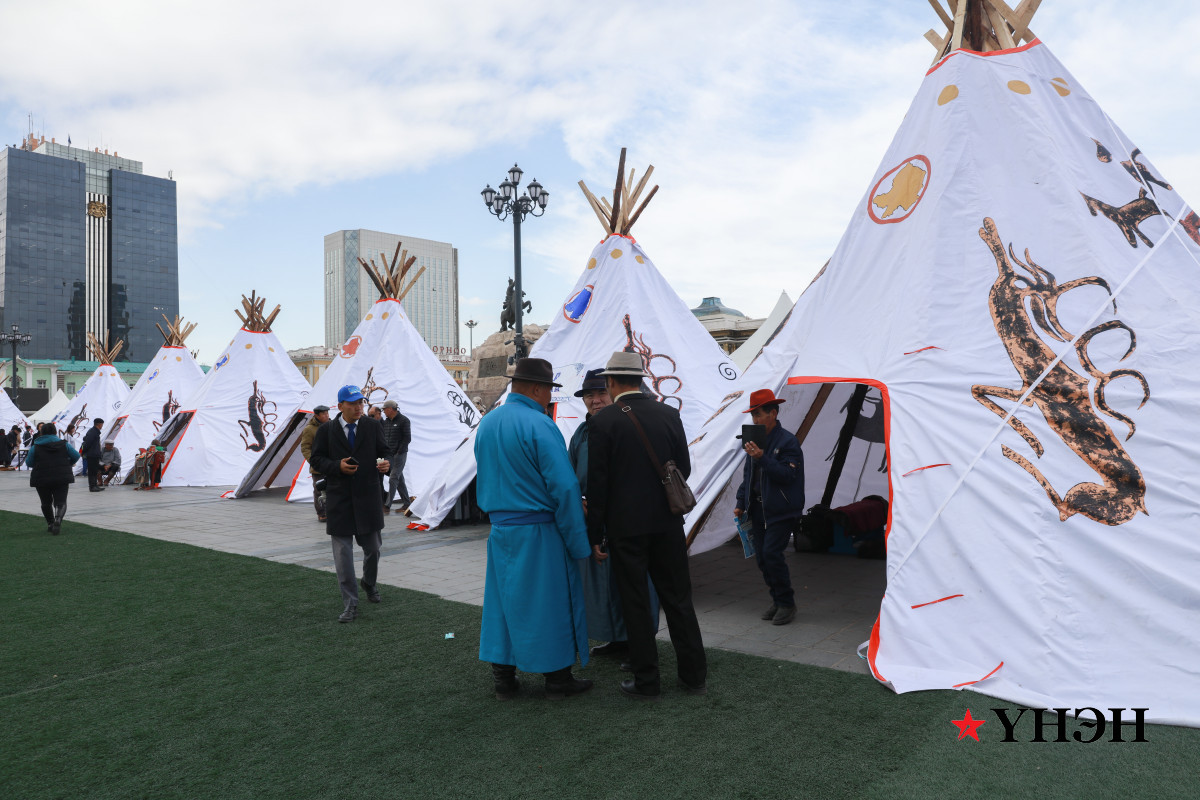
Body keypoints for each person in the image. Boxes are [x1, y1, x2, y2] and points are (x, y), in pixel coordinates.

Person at [587, 351, 707, 700]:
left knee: (636, 603)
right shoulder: (669, 414)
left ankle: (647, 682)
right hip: (668, 522)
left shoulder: (604, 421)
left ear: (610, 381)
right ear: (640, 379)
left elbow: (598, 486)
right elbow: (681, 468)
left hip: (626, 528)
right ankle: (694, 676)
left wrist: (595, 534)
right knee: (679, 600)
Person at [475, 357, 592, 701]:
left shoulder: (489, 421)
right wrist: (578, 541)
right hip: (538, 530)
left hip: (501, 530)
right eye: (549, 391)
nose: (549, 398)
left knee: (501, 601)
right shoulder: (540, 424)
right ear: (539, 389)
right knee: (549, 602)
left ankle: (504, 679)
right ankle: (557, 679)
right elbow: (565, 488)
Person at [568, 368, 658, 665]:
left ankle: (639, 644)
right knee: (603, 586)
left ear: (613, 391)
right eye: (589, 395)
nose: (595, 400)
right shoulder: (582, 432)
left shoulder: (626, 425)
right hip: (593, 521)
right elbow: (571, 473)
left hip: (626, 520)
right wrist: (579, 502)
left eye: (600, 393)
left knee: (632, 585)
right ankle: (617, 639)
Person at [309, 386, 391, 623]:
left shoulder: (373, 426)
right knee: (343, 557)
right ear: (340, 405)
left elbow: (386, 453)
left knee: (373, 550)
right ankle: (350, 603)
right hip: (340, 500)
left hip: (368, 497)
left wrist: (387, 464)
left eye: (361, 403)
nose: (358, 407)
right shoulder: (326, 431)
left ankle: (369, 583)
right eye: (353, 403)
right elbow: (316, 459)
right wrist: (338, 467)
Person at [734, 389, 806, 626]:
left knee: (772, 554)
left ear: (773, 413)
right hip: (757, 508)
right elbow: (749, 475)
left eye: (759, 414)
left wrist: (762, 457)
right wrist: (740, 502)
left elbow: (787, 475)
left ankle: (787, 603)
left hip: (782, 509)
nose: (755, 420)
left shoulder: (788, 441)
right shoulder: (755, 438)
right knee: (762, 559)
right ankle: (778, 600)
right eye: (753, 415)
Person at [26, 422, 80, 534]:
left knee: (45, 502)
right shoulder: (64, 444)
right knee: (61, 501)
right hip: (61, 476)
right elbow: (76, 455)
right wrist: (68, 463)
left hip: (41, 477)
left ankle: (50, 523)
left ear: (41, 433)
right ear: (55, 432)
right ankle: (58, 519)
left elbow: (29, 462)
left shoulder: (36, 447)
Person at [380, 399, 412, 514]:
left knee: (393, 477)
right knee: (400, 479)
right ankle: (407, 503)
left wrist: (399, 451)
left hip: (400, 454)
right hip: (390, 455)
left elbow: (407, 438)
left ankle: (387, 505)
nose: (383, 412)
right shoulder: (386, 421)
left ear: (390, 409)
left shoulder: (404, 420)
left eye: (384, 409)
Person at [300, 405, 331, 522]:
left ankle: (332, 511)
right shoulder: (309, 429)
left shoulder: (332, 425)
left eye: (327, 413)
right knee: (319, 490)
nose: (327, 416)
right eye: (323, 414)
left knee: (333, 489)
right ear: (316, 415)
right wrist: (313, 461)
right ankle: (321, 513)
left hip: (331, 464)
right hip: (318, 466)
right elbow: (305, 447)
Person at [80, 418, 104, 492]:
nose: (102, 426)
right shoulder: (92, 432)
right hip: (92, 454)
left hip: (95, 454)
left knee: (94, 471)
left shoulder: (95, 432)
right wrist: (83, 452)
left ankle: (95, 485)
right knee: (92, 471)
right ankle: (92, 486)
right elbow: (88, 443)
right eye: (102, 424)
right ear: (99, 424)